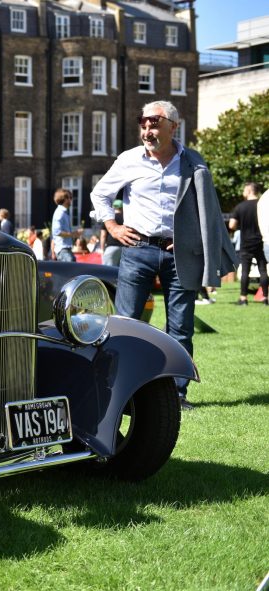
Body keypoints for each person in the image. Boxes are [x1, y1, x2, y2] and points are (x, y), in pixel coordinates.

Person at [91, 100, 237, 410]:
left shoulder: (193, 163)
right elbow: (100, 193)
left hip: (178, 253)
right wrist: (113, 227)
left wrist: (192, 239)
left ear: (174, 126)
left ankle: (177, 395)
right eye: (143, 123)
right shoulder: (129, 160)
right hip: (137, 250)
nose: (147, 129)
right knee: (125, 323)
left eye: (154, 123)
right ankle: (120, 392)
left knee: (181, 328)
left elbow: (206, 211)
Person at [229, 182, 268, 305]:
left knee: (245, 270)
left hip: (246, 242)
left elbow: (232, 225)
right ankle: (265, 297)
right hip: (260, 241)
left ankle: (243, 298)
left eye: (244, 190)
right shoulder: (263, 205)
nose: (243, 193)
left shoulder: (241, 207)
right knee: (263, 270)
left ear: (249, 191)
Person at [51, 188, 83, 262]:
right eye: (69, 197)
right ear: (64, 199)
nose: (71, 200)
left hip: (66, 249)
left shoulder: (64, 213)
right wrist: (74, 234)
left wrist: (75, 234)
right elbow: (57, 232)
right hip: (63, 250)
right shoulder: (60, 213)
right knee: (71, 270)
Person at [100, 200, 124, 266]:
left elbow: (103, 235)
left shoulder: (108, 218)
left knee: (107, 273)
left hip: (111, 248)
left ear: (113, 207)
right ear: (122, 207)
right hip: (124, 249)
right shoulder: (126, 219)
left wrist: (102, 249)